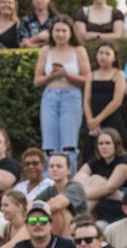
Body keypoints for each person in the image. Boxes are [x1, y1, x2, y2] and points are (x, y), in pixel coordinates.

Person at [34, 16, 90, 174]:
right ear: (52, 33)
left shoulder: (78, 50)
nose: (60, 34)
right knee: (49, 144)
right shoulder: (46, 50)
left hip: (71, 96)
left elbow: (87, 78)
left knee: (68, 144)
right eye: (57, 30)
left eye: (64, 30)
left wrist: (66, 74)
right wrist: (51, 76)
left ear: (71, 32)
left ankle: (69, 178)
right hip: (50, 96)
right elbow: (37, 80)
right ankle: (48, 181)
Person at [74, 127, 127, 222]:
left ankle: (78, 219)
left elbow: (110, 188)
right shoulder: (96, 161)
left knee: (97, 180)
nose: (104, 147)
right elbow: (77, 179)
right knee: (88, 179)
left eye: (108, 143)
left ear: (116, 144)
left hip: (123, 199)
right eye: (100, 144)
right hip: (100, 201)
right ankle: (80, 218)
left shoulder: (124, 160)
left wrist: (81, 195)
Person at [83, 43, 127, 162]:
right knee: (91, 153)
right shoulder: (91, 75)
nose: (103, 56)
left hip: (111, 119)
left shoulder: (118, 75)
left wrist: (98, 119)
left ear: (114, 58)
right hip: (93, 122)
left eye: (107, 54)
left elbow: (117, 101)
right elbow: (86, 100)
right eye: (101, 53)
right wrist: (90, 120)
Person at [35, 152, 90, 234]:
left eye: (59, 166)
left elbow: (57, 205)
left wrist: (38, 209)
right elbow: (32, 205)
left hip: (82, 231)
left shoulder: (75, 187)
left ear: (68, 170)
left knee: (58, 212)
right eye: (51, 166)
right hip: (62, 230)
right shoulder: (49, 190)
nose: (54, 169)